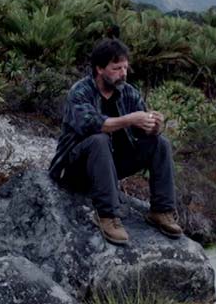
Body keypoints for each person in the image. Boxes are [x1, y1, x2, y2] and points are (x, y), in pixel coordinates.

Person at [48, 30, 183, 245]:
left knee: (160, 143)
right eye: (116, 68)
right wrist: (130, 119)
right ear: (99, 69)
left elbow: (141, 130)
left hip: (109, 165)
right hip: (73, 167)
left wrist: (154, 126)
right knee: (99, 139)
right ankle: (108, 216)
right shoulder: (80, 92)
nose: (123, 73)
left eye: (125, 67)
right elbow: (94, 125)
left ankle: (162, 210)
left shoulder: (128, 92)